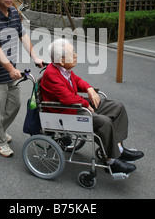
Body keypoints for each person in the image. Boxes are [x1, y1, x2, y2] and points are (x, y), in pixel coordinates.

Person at [40, 39, 144, 175]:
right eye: (73, 53)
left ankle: (119, 149)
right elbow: (67, 98)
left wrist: (89, 88)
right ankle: (111, 161)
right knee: (104, 122)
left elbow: (77, 81)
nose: (76, 55)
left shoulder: (64, 69)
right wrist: (85, 103)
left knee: (117, 107)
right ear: (61, 60)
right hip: (66, 112)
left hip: (75, 106)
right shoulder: (51, 74)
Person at [0, 0, 45, 157]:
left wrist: (35, 56)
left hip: (12, 73)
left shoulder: (14, 13)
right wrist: (9, 68)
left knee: (15, 105)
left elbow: (23, 36)